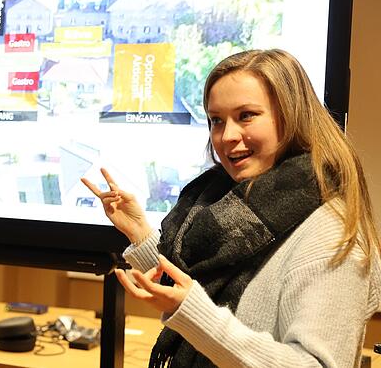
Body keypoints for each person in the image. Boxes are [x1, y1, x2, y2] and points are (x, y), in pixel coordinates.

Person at [82, 49, 381, 367]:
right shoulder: (234, 204)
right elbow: (194, 286)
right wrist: (139, 232)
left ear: (292, 116)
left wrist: (195, 315)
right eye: (216, 121)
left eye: (246, 115)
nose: (227, 136)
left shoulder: (331, 234)